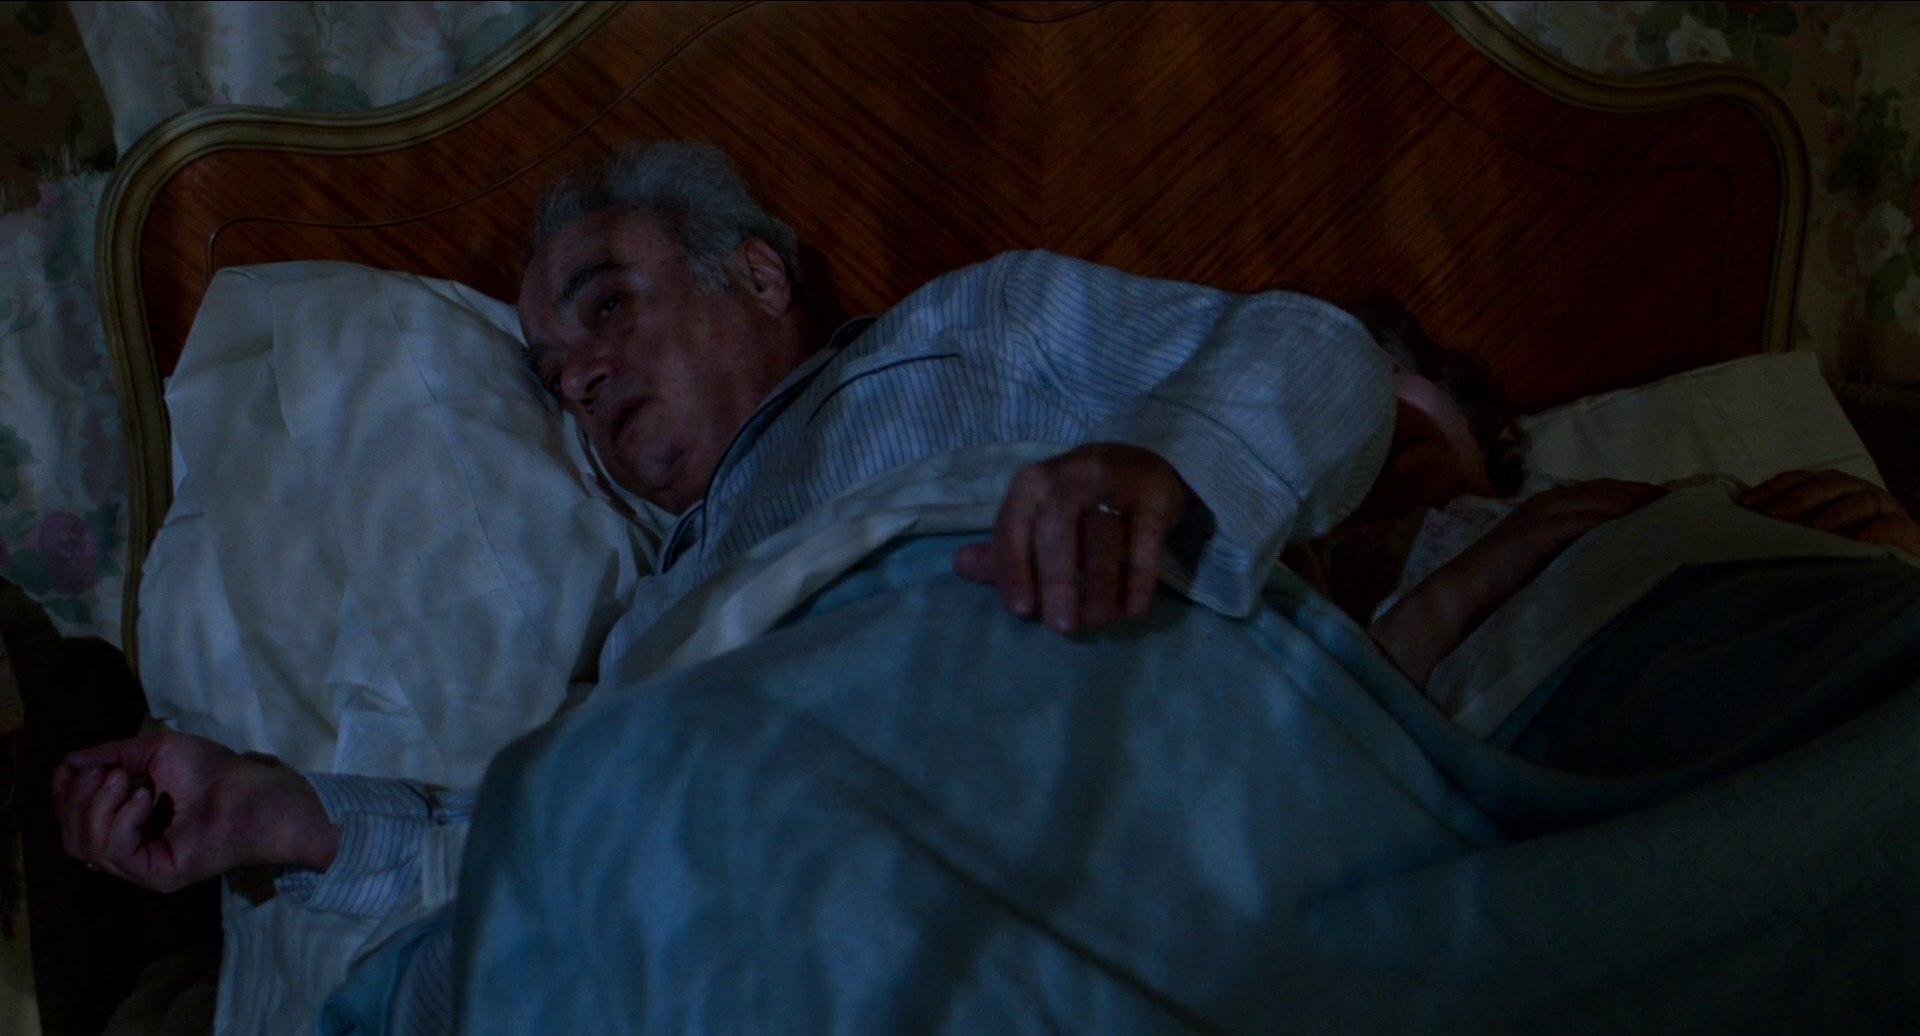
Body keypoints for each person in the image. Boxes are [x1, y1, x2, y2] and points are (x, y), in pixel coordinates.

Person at [49, 141, 1920, 1030]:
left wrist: (1167, 470)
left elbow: (1312, 354)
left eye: (605, 305)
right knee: (602, 828)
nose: (582, 377)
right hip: (766, 798)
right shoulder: (649, 613)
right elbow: (557, 836)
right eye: (551, 369)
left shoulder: (968, 339)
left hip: (1038, 686)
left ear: (760, 273)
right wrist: (287, 814)